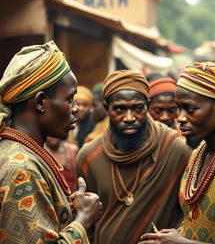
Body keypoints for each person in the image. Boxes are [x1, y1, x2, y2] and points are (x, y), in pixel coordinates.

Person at [140, 62, 215, 243]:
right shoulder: (198, 153)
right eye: (178, 108)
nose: (180, 118)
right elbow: (192, 220)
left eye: (190, 109)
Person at [0, 41, 102, 243]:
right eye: (69, 99)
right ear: (40, 102)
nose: (76, 109)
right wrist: (83, 220)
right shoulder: (21, 169)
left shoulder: (22, 153)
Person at [76, 70, 191, 244]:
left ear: (147, 105)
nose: (129, 118)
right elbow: (86, 222)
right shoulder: (89, 156)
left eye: (137, 108)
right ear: (107, 108)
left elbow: (187, 212)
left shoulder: (176, 150)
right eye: (119, 109)